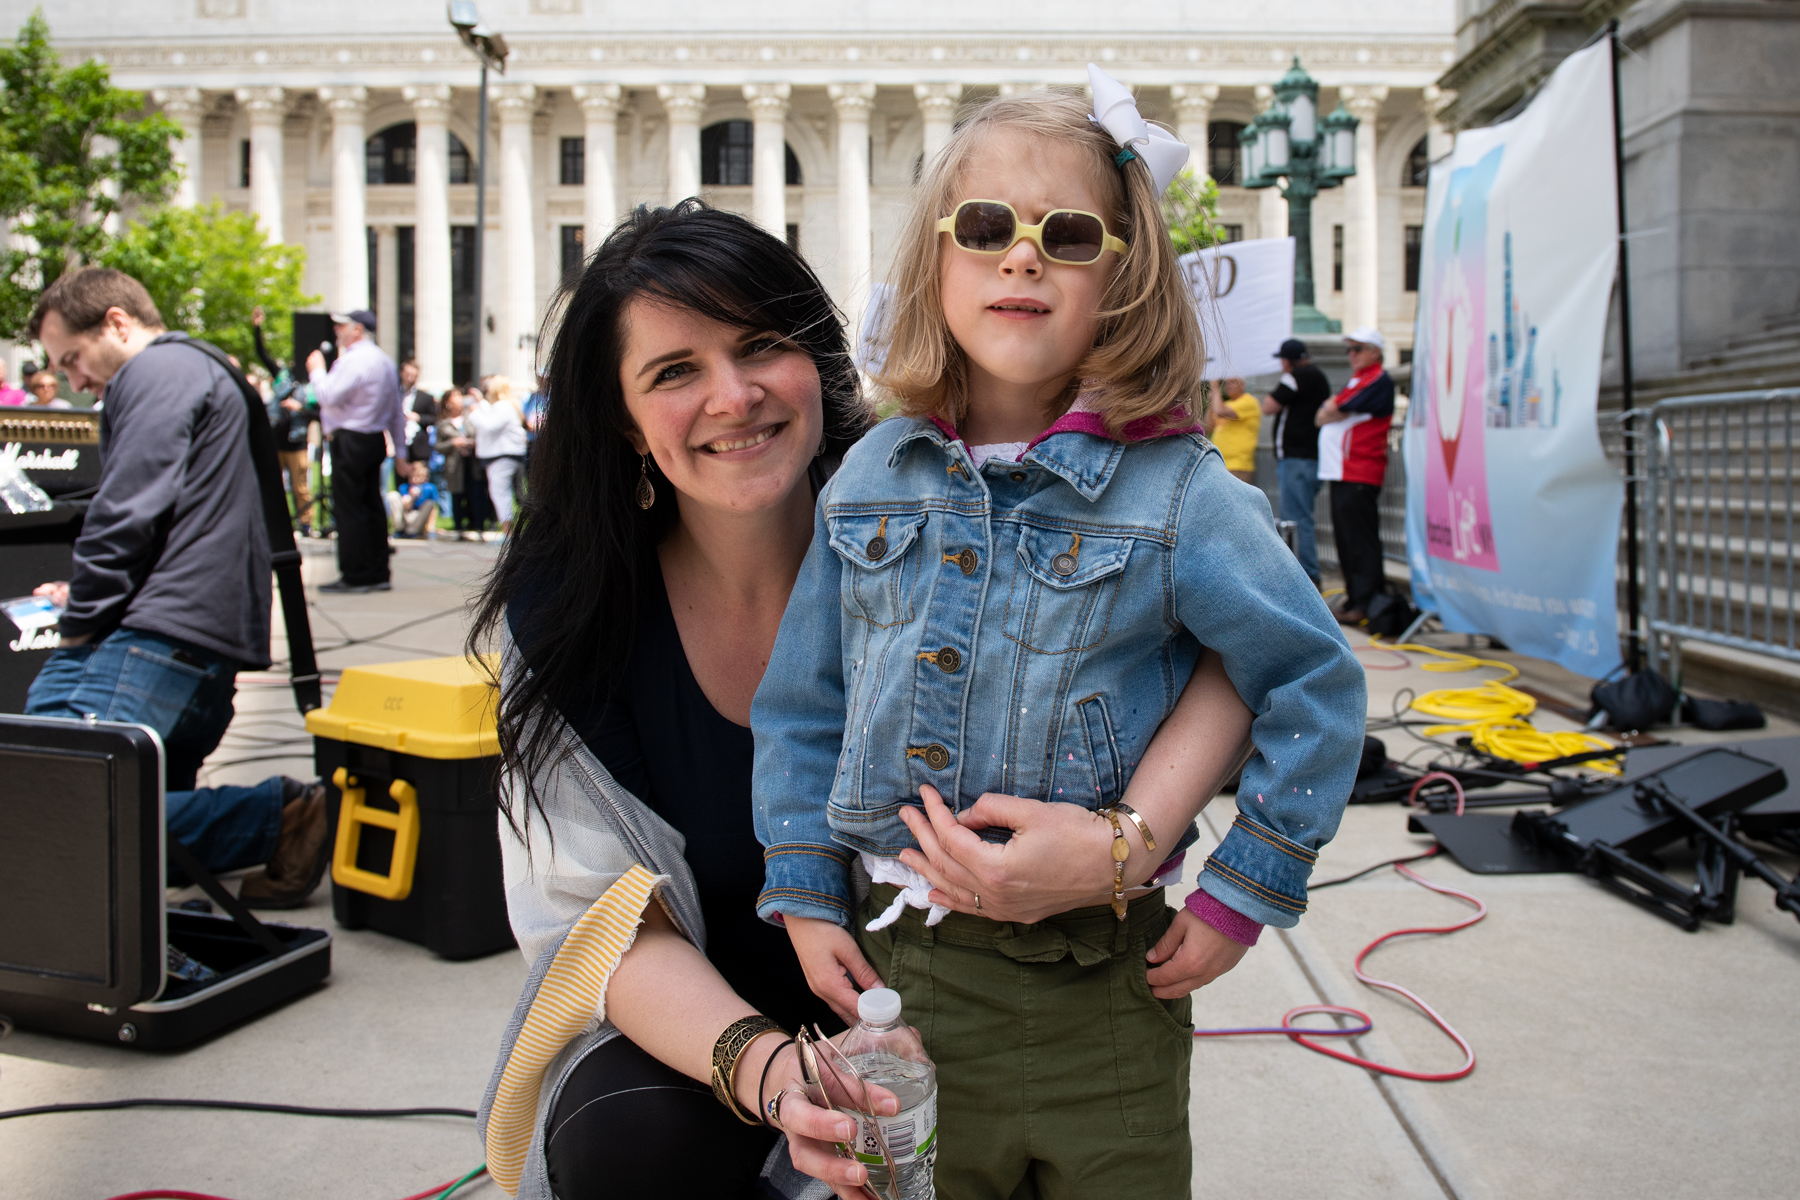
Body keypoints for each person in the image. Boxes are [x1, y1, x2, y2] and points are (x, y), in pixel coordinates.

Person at [466, 202, 1257, 1200]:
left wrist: (1124, 842)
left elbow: (1230, 649)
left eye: (762, 347)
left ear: (820, 361)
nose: (734, 396)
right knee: (627, 1143)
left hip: (954, 998)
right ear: (623, 421)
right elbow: (598, 925)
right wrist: (776, 1073)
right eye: (675, 372)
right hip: (712, 1027)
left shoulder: (951, 518)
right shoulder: (567, 615)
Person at [753, 79, 1365, 1200]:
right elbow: (804, 701)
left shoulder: (1178, 493)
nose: (1021, 258)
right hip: (908, 979)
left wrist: (1248, 885)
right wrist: (800, 888)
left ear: (1122, 277)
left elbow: (1312, 677)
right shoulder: (870, 475)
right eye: (986, 228)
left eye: (1066, 235)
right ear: (937, 260)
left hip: (1109, 991)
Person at [22, 267, 328, 908]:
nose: (74, 382)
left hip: (156, 639)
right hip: (188, 638)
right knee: (127, 831)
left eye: (72, 359)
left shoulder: (158, 371)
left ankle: (280, 816)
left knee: (53, 795)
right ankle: (275, 823)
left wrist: (79, 616)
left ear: (116, 322)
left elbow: (126, 509)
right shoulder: (196, 372)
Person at [306, 309, 404, 593]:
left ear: (358, 330)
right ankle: (377, 571)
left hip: (350, 439)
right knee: (372, 506)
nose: (337, 330)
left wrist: (317, 370)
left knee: (351, 508)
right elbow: (396, 413)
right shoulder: (385, 361)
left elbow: (326, 395)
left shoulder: (354, 360)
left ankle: (356, 574)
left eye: (342, 326)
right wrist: (401, 453)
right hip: (373, 438)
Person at [1316, 326, 1397, 625]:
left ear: (1375, 352)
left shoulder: (1376, 378)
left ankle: (1366, 602)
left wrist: (1331, 408)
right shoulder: (1358, 378)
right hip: (1344, 471)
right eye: (1349, 349)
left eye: (1358, 349)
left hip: (1359, 470)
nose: (1352, 355)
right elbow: (1325, 412)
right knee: (1346, 538)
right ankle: (1356, 598)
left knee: (1360, 539)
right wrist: (1331, 409)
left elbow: (1336, 407)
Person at [1261, 336, 1333, 587]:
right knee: (1302, 518)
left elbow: (1268, 406)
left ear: (1287, 361)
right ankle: (1307, 575)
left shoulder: (1296, 377)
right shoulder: (1320, 377)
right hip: (1311, 458)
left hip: (1296, 458)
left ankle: (1306, 578)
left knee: (1296, 520)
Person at [251, 307, 320, 537]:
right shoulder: (282, 376)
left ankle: (305, 523)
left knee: (300, 487)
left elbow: (318, 415)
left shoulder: (311, 385)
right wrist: (257, 327)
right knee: (272, 485)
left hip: (297, 443)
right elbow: (262, 353)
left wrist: (299, 407)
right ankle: (272, 522)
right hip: (276, 440)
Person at [466, 374, 528, 535]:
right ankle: (510, 531)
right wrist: (480, 403)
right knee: (505, 494)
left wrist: (474, 412)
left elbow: (488, 425)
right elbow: (490, 416)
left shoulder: (503, 406)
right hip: (505, 455)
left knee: (500, 494)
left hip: (502, 456)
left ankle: (509, 532)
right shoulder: (506, 405)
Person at [1204, 375, 1260, 483]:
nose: (1228, 386)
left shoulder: (1249, 401)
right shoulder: (1226, 405)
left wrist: (1215, 388)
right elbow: (1208, 427)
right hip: (1220, 463)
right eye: (1226, 383)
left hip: (1238, 465)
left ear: (1243, 385)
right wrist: (1212, 403)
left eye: (1232, 382)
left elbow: (1220, 412)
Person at [384, 459, 440, 539]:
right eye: (412, 476)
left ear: (424, 477)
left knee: (430, 503)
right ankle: (399, 529)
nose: (414, 480)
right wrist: (412, 496)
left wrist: (431, 527)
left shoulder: (430, 488)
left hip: (419, 519)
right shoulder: (404, 487)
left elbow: (434, 509)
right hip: (406, 517)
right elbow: (406, 507)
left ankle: (412, 531)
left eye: (418, 476)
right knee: (393, 495)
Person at [400, 358, 437, 466]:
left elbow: (433, 418)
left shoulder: (425, 397)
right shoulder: (394, 395)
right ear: (401, 373)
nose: (411, 379)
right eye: (408, 375)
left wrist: (418, 417)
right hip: (398, 445)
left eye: (414, 376)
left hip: (418, 447)